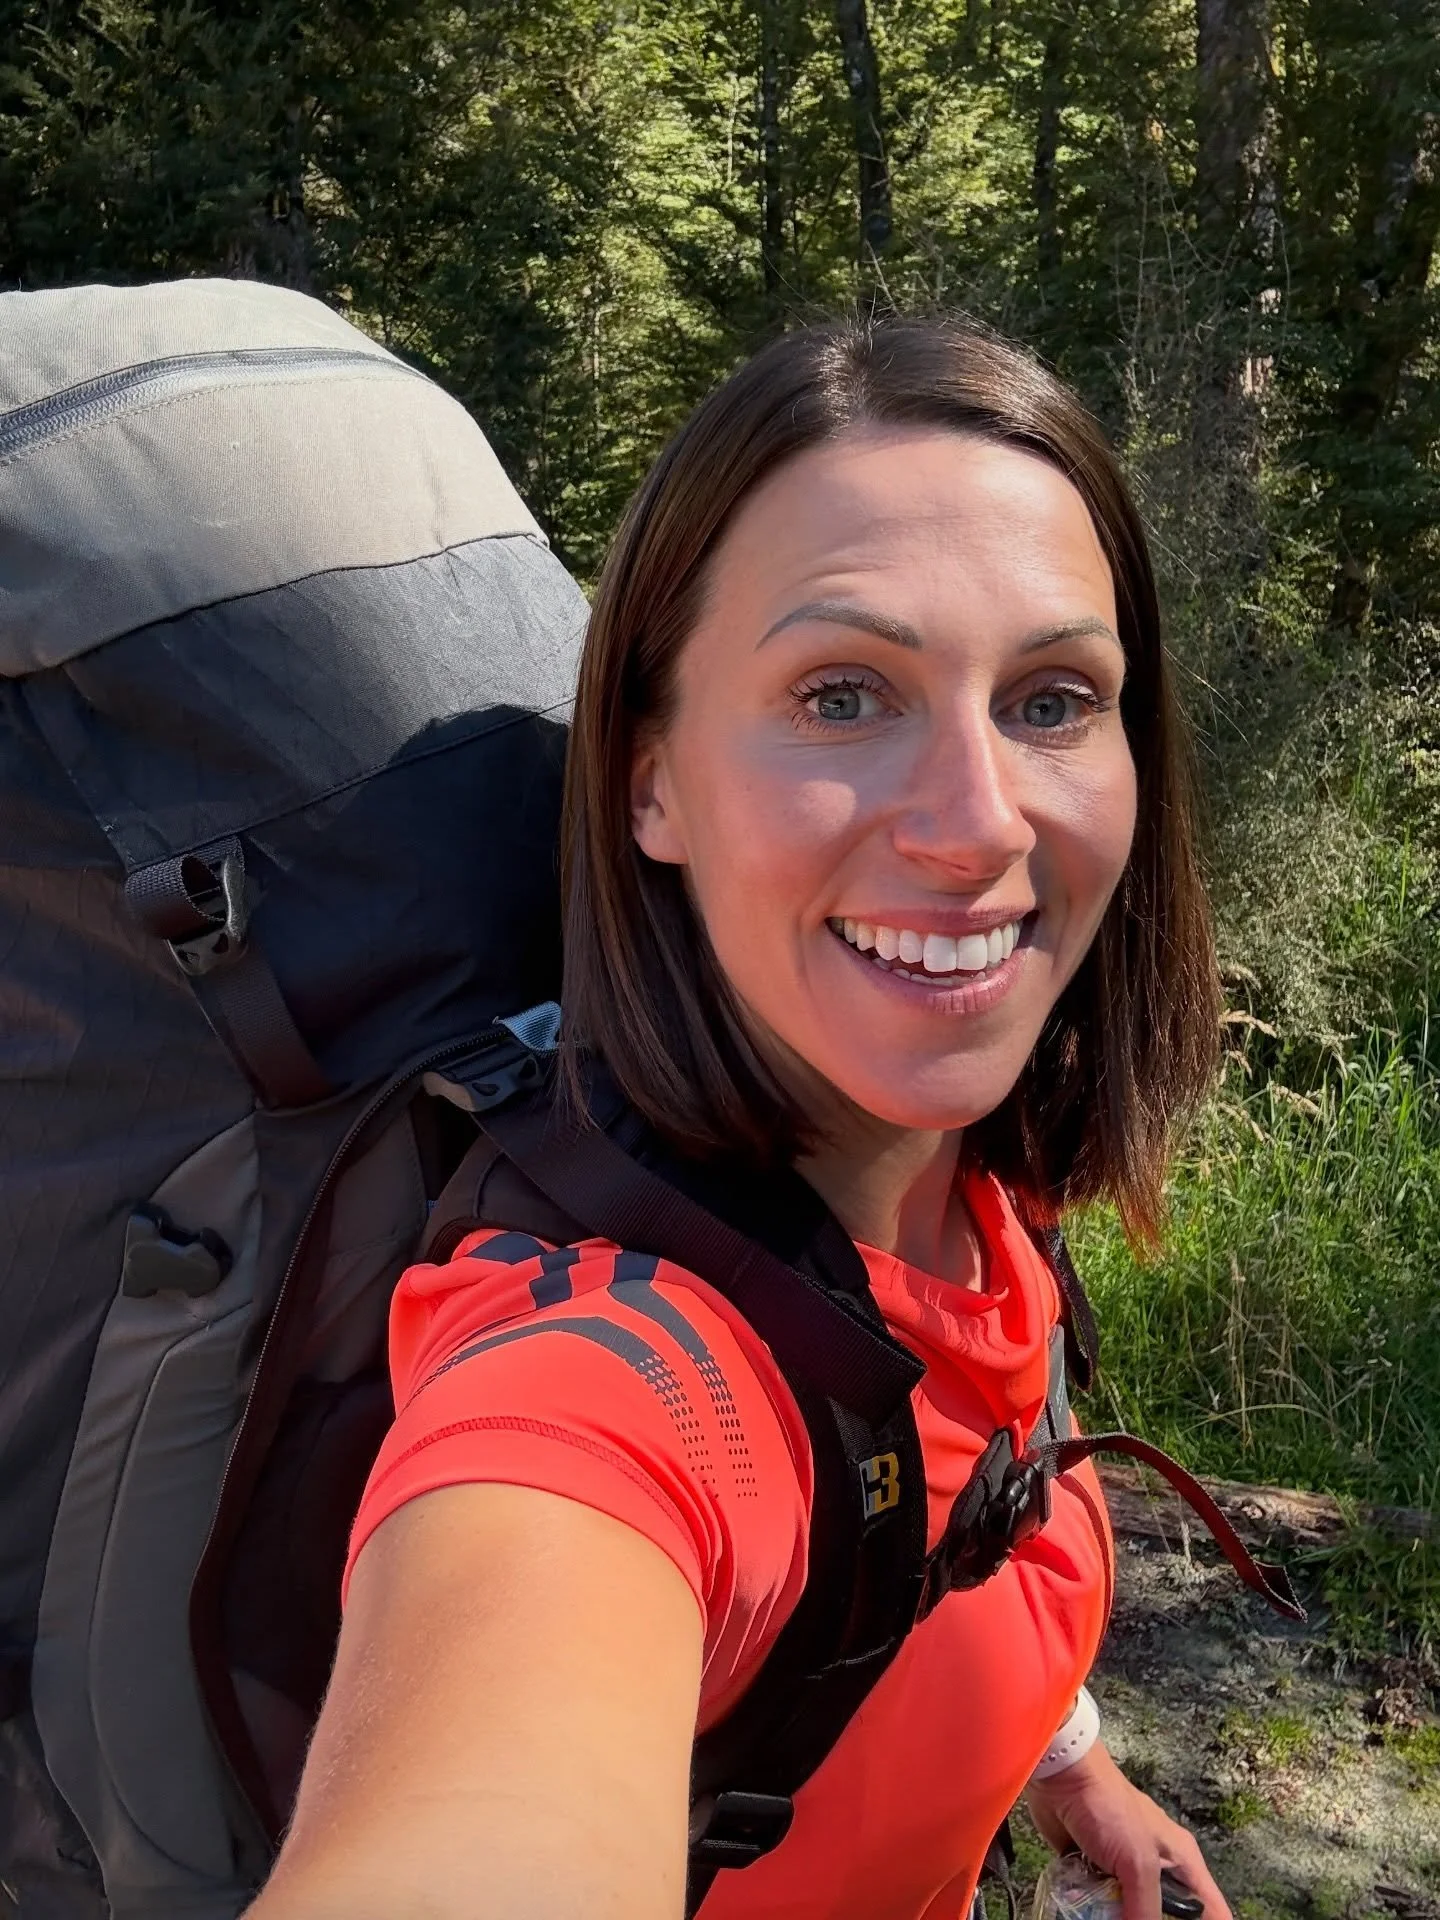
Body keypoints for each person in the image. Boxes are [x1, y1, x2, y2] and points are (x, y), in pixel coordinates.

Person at [243, 316, 1226, 1920]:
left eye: (1053, 699)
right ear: (651, 783)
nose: (980, 824)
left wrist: (1067, 1763)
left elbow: (966, 1512)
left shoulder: (980, 1174)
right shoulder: (613, 1383)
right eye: (845, 696)